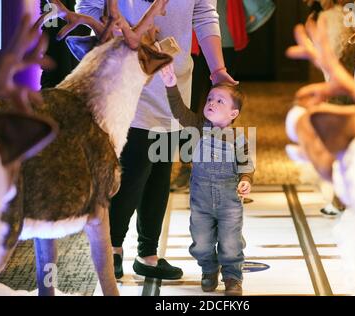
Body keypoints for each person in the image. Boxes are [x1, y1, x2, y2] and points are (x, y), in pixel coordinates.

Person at [75, 0, 237, 280]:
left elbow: (203, 12)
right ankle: (112, 248)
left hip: (173, 75)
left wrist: (217, 70)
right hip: (126, 75)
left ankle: (147, 255)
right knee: (134, 168)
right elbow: (87, 6)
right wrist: (115, 40)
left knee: (160, 171)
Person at [159, 62, 255, 295]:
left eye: (219, 101)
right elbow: (179, 112)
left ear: (233, 114)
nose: (211, 103)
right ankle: (208, 269)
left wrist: (246, 180)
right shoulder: (198, 127)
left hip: (230, 201)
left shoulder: (238, 138)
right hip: (201, 201)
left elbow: (247, 166)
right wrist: (172, 86)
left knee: (231, 242)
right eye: (210, 99)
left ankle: (232, 277)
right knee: (201, 241)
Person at [171, 0, 249, 192]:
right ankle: (187, 165)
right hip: (195, 40)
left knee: (225, 107)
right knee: (193, 106)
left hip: (226, 36)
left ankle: (228, 172)